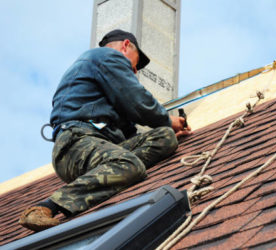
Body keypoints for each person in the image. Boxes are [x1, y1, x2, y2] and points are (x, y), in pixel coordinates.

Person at [18, 29, 191, 232]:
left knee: (165, 137)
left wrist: (167, 129)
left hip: (100, 145)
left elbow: (131, 134)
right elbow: (137, 101)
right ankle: (47, 207)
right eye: (134, 66)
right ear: (125, 46)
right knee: (130, 163)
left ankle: (111, 172)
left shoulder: (103, 85)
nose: (134, 72)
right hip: (76, 142)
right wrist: (167, 119)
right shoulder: (106, 56)